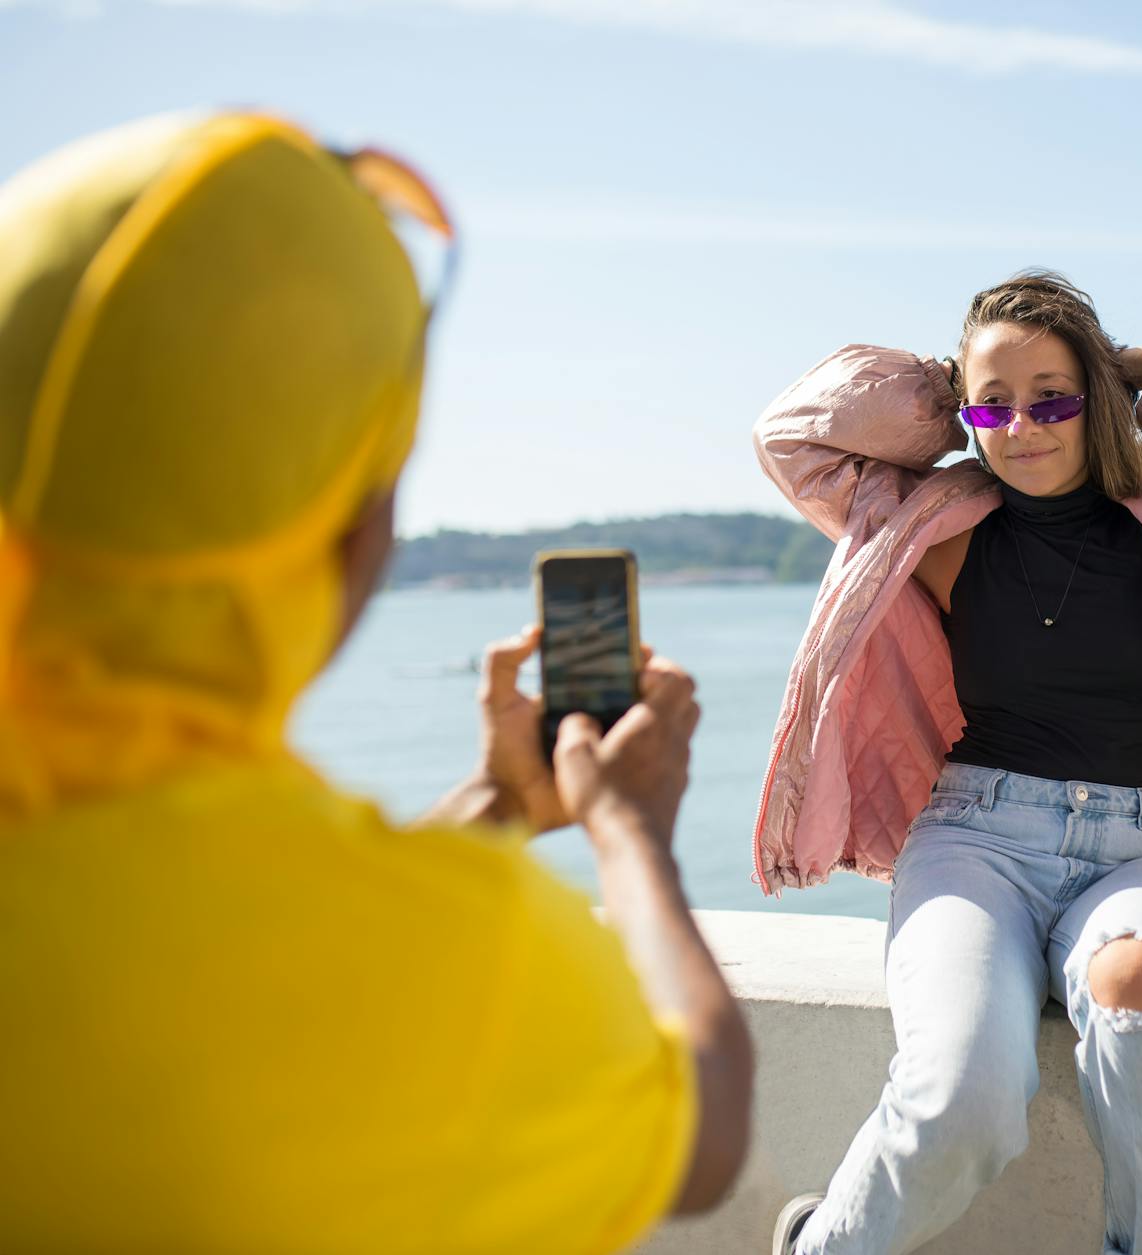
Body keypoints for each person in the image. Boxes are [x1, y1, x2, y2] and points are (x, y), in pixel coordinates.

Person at [0, 112, 749, 1251]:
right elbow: (700, 1127)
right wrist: (627, 830)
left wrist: (497, 803)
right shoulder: (463, 971)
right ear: (353, 535)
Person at [752, 271, 1142, 1255]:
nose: (1019, 426)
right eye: (993, 405)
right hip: (972, 844)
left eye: (1052, 398)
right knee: (956, 1093)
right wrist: (942, 393)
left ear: (1094, 400)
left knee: (1140, 987)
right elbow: (793, 431)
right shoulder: (926, 529)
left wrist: (1127, 369)